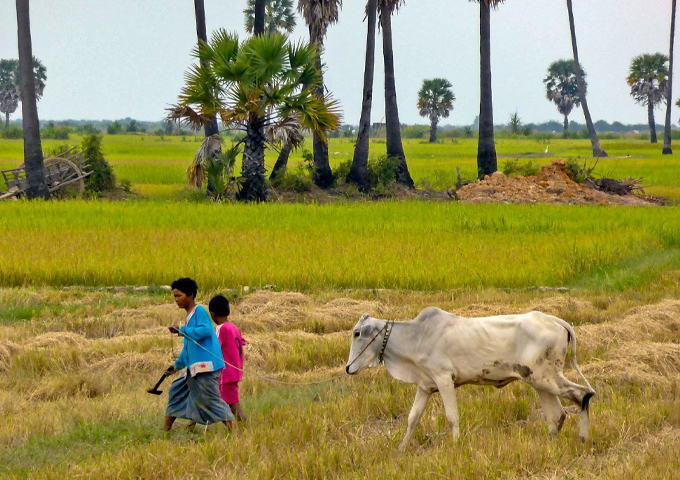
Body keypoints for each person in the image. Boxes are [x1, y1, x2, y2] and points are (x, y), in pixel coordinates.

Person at [163, 277, 234, 432]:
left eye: (179, 296)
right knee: (176, 390)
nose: (176, 300)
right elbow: (189, 347)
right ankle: (165, 430)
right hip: (194, 369)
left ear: (190, 295)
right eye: (175, 296)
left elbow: (205, 330)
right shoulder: (189, 317)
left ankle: (234, 431)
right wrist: (176, 366)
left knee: (212, 400)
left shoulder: (199, 311)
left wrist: (181, 330)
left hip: (205, 368)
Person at [209, 295, 247, 421]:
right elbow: (241, 343)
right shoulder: (234, 327)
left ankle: (237, 429)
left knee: (224, 405)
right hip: (235, 372)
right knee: (232, 403)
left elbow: (214, 348)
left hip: (225, 373)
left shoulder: (221, 328)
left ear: (212, 314)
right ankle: (192, 424)